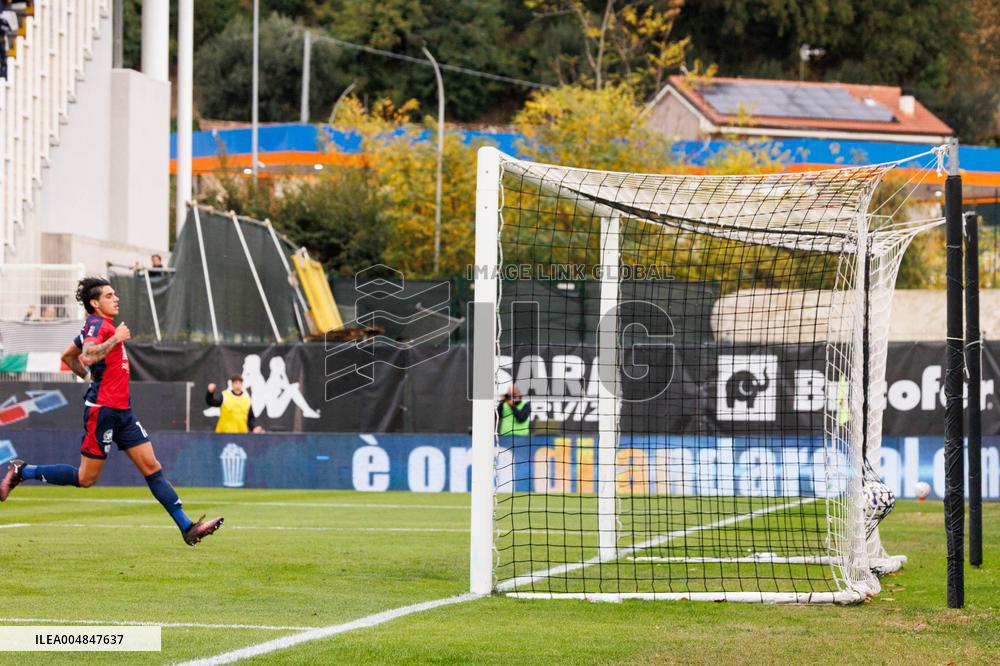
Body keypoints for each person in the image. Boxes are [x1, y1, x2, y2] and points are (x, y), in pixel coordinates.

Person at [0, 276, 224, 546]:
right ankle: (22, 470)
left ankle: (187, 527)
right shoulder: (97, 324)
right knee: (86, 478)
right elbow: (89, 355)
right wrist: (115, 340)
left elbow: (68, 357)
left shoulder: (100, 325)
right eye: (108, 295)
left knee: (152, 467)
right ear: (94, 303)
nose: (115, 298)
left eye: (114, 294)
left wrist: (90, 376)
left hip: (122, 412)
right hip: (103, 411)